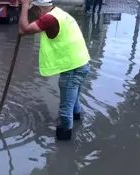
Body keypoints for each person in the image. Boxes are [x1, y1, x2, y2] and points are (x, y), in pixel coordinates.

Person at [18, 0, 91, 140]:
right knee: (73, 101)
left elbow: (23, 29)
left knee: (65, 111)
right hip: (82, 62)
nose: (35, 15)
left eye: (34, 11)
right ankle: (78, 122)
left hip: (72, 68)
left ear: (39, 9)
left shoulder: (49, 19)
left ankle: (64, 145)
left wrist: (25, 6)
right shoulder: (59, 12)